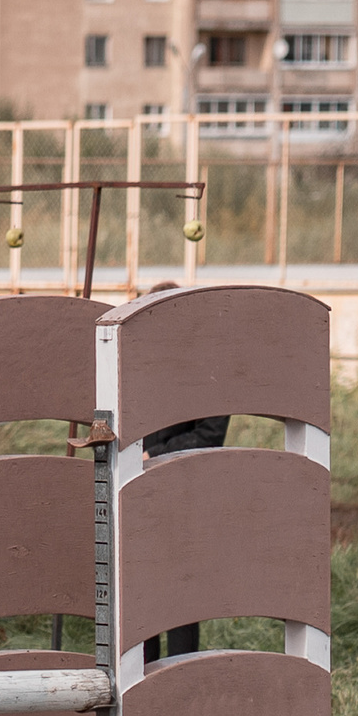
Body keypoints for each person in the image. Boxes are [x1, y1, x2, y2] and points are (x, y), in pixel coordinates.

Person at [133, 281, 229, 662]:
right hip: (141, 492)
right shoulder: (137, 366)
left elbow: (210, 435)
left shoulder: (208, 369)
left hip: (187, 491)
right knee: (142, 589)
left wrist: (152, 454)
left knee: (181, 591)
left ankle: (181, 673)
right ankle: (145, 675)